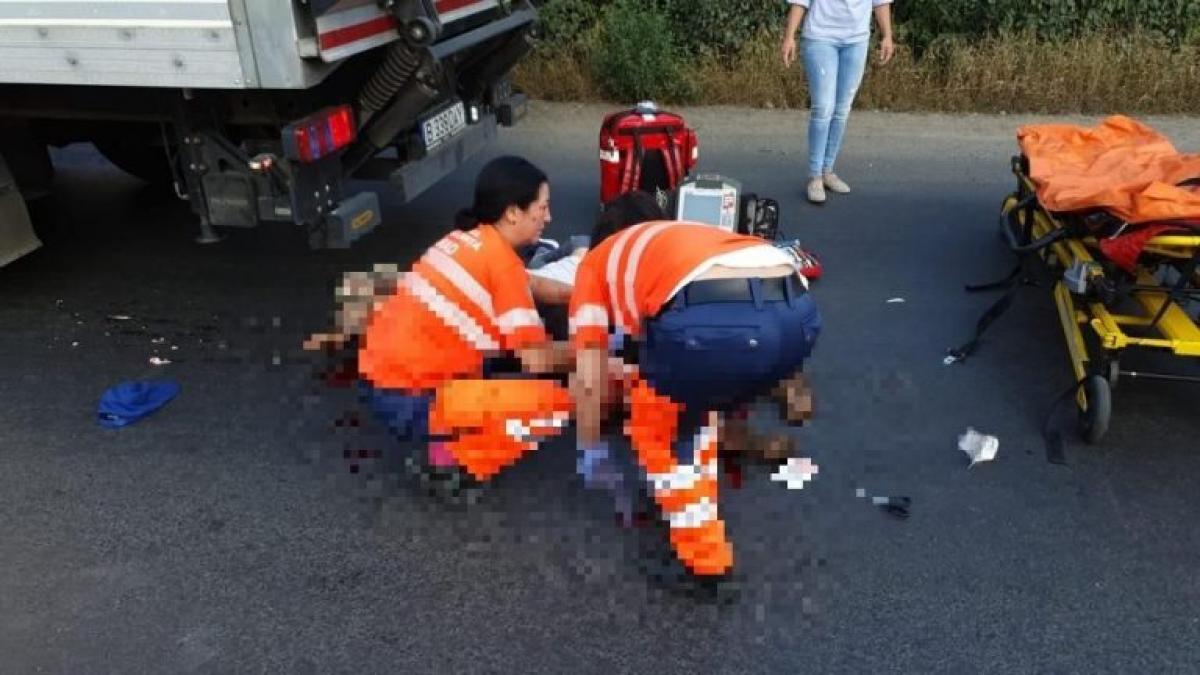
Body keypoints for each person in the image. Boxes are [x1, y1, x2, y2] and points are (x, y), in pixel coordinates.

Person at [568, 192, 823, 578]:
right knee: (697, 410)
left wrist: (592, 451)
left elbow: (589, 373)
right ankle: (698, 496)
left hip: (710, 318)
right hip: (797, 313)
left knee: (656, 427)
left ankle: (703, 561)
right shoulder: (679, 237)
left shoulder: (595, 264)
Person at [315, 155, 576, 486]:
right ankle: (451, 463)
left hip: (380, 379)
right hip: (408, 397)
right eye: (542, 208)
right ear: (512, 212)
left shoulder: (467, 240)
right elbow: (537, 357)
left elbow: (534, 284)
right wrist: (590, 352)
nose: (548, 217)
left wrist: (582, 295)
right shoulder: (502, 267)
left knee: (504, 365)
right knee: (556, 401)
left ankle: (446, 430)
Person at [781, 0, 895, 204]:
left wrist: (887, 36)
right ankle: (814, 176)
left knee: (842, 109)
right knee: (823, 108)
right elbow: (800, 1)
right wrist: (789, 37)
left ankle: (828, 171)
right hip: (820, 37)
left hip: (856, 41)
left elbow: (880, 2)